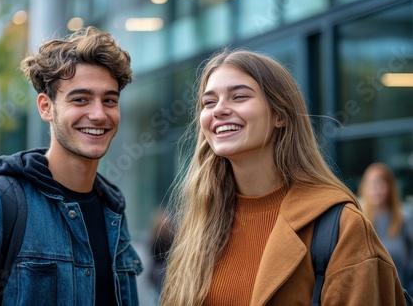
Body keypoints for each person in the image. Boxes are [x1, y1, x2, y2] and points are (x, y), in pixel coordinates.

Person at [159, 48, 407, 305]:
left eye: (239, 96)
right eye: (209, 102)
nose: (219, 109)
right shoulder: (200, 223)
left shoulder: (342, 226)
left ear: (280, 115)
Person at [0, 26, 143, 305]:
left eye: (109, 100)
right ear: (46, 107)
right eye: (80, 99)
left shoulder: (114, 214)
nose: (98, 114)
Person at [358, 162, 413, 295]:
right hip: (367, 295)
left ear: (390, 187)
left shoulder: (403, 217)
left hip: (400, 294)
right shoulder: (358, 218)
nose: (376, 190)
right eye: (371, 184)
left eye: (381, 184)